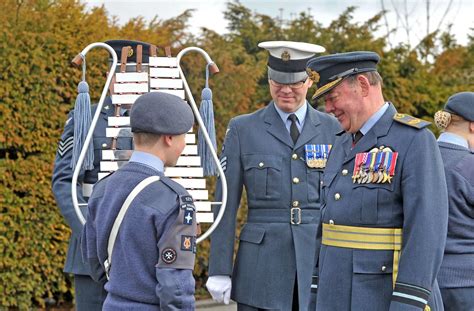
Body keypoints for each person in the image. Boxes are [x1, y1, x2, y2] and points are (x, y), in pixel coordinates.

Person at [305, 51, 449, 310]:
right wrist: (316, 292)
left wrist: (409, 302)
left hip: (382, 297)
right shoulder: (341, 142)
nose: (328, 108)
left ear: (362, 85)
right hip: (333, 295)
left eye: (332, 97)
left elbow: (426, 232)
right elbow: (326, 228)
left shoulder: (413, 140)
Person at [206, 41, 341, 310]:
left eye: (294, 82)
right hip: (261, 268)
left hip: (318, 260)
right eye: (278, 82)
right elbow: (226, 202)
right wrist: (219, 267)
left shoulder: (333, 128)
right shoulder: (243, 129)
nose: (286, 90)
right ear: (269, 79)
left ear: (309, 82)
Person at [52, 39, 152, 310]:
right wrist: (90, 233)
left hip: (144, 250)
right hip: (90, 250)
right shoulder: (86, 117)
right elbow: (64, 182)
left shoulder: (158, 123)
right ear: (111, 78)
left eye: (137, 78)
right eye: (122, 77)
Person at [81, 91, 198, 309]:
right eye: (184, 137)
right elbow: (175, 287)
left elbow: (94, 263)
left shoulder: (103, 188)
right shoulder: (174, 198)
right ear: (169, 138)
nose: (183, 146)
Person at [434, 92, 474, 311]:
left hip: (424, 281)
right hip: (467, 285)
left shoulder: (418, 157)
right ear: (473, 126)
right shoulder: (469, 166)